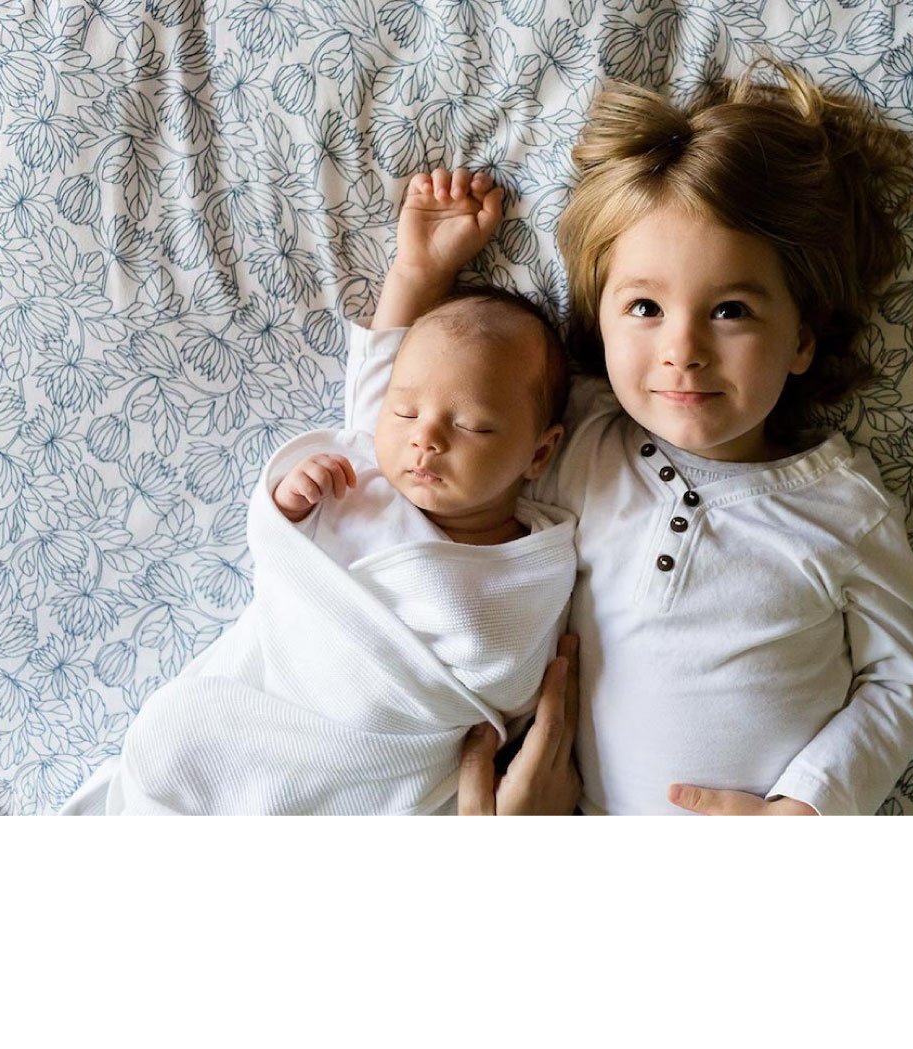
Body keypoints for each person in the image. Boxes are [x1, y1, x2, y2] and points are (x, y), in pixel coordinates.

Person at [378, 60, 913, 815]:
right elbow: (407, 417)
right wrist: (418, 275)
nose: (684, 350)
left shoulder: (841, 507)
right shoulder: (571, 443)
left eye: (732, 310)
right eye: (644, 308)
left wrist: (807, 808)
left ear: (802, 340)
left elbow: (904, 681)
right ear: (598, 323)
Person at [60, 179, 578, 816]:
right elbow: (387, 364)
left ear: (539, 454)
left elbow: (510, 681)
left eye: (471, 425)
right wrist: (421, 265)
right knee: (178, 750)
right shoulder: (366, 470)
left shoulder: (537, 561)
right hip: (268, 709)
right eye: (407, 413)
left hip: (382, 762)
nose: (426, 440)